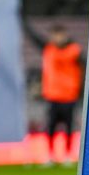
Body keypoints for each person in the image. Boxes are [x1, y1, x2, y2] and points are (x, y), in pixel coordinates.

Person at [25, 21, 84, 165]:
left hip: (69, 95)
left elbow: (84, 70)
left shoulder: (74, 51)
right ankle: (50, 154)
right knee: (51, 126)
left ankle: (68, 154)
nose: (58, 38)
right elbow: (33, 37)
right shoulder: (48, 49)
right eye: (55, 35)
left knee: (68, 126)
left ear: (65, 35)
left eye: (60, 35)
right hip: (53, 95)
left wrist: (80, 91)